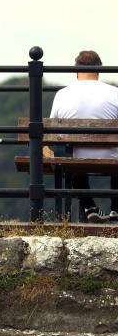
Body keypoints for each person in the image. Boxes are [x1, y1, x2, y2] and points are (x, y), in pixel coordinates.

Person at [49, 50, 118, 223]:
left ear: (76, 70)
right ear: (99, 70)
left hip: (76, 159)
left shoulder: (62, 94)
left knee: (72, 158)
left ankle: (89, 206)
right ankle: (116, 209)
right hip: (112, 156)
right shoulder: (114, 92)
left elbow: (50, 131)